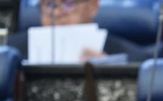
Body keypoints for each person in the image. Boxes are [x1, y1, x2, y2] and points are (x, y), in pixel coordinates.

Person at [7, 0, 149, 62]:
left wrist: (110, 71)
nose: (57, 13)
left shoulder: (128, 57)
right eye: (49, 4)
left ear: (93, 6)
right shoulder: (10, 50)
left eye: (68, 4)